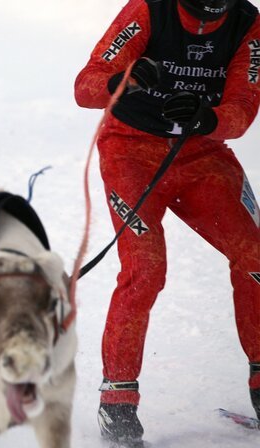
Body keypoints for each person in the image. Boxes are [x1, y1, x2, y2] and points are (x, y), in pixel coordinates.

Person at [75, 0, 260, 445]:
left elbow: (242, 107)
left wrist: (208, 117)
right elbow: (86, 87)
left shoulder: (248, 23)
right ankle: (116, 405)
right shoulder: (147, 9)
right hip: (130, 152)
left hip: (201, 154)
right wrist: (124, 80)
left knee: (255, 256)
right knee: (145, 270)